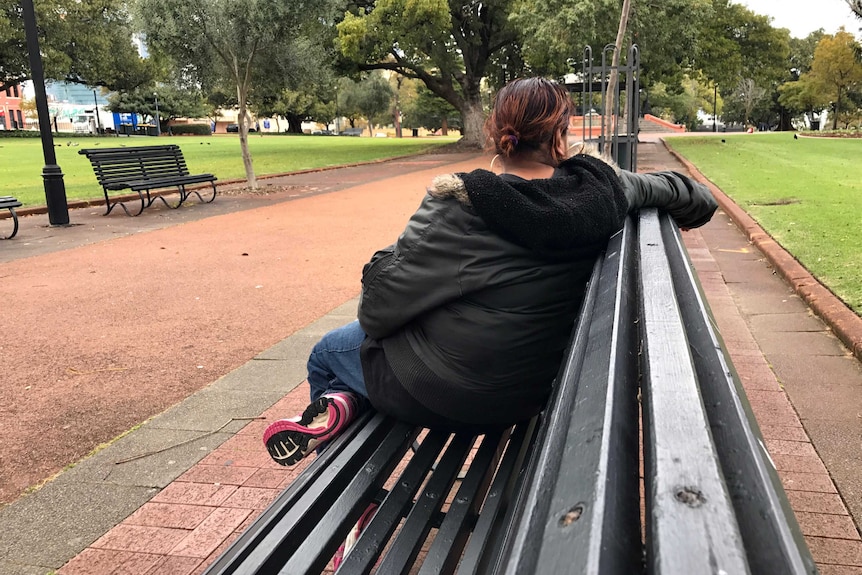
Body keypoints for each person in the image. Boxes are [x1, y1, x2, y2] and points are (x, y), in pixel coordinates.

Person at [263, 77, 718, 468]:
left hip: (450, 393)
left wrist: (388, 256)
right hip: (528, 391)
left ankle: (344, 455)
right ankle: (349, 402)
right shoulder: (602, 191)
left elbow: (378, 313)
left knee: (328, 352)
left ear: (497, 133)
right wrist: (690, 206)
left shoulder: (460, 207)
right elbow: (689, 195)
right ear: (561, 136)